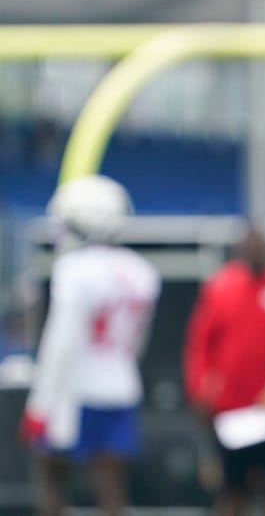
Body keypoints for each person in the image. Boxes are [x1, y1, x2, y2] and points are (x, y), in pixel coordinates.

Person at [19, 174, 161, 516]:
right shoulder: (142, 271)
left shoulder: (75, 270)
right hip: (121, 384)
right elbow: (137, 343)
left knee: (51, 476)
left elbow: (60, 344)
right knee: (111, 484)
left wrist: (40, 405)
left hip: (74, 389)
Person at [183, 224, 265, 516]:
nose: (256, 252)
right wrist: (199, 389)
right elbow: (201, 343)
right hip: (232, 410)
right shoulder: (220, 286)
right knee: (233, 491)